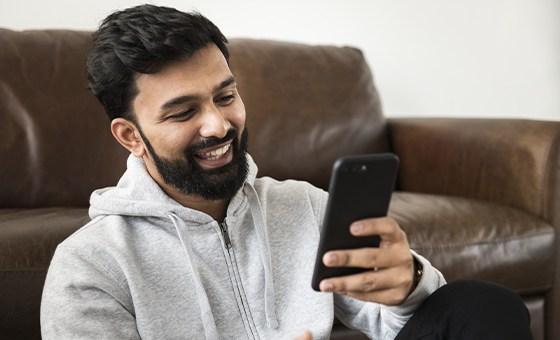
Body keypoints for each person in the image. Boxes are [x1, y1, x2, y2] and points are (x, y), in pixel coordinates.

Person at [40, 5, 532, 340]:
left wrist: (409, 284)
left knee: (483, 306)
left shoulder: (305, 206)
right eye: (182, 112)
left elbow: (402, 322)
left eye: (225, 96)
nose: (218, 124)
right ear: (130, 135)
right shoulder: (89, 269)